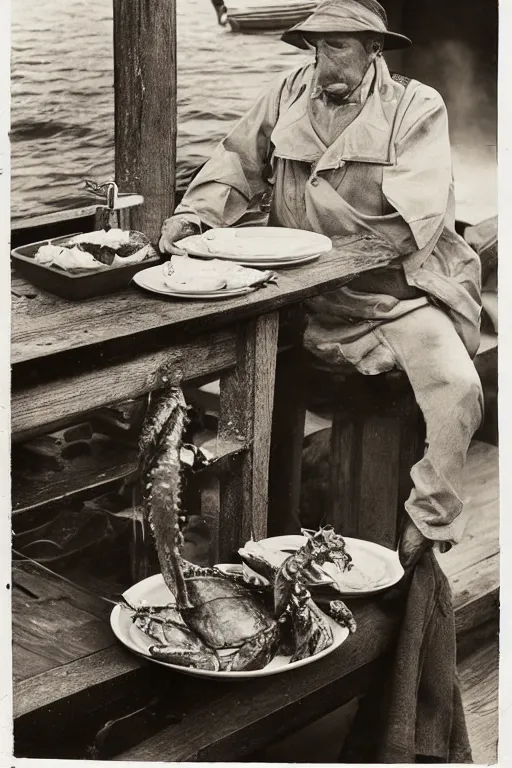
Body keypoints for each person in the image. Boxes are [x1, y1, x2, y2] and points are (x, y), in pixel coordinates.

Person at [159, 0, 483, 570]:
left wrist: (316, 251)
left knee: (458, 389)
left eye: (337, 46)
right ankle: (250, 524)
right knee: (206, 358)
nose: (321, 60)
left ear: (373, 49)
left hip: (394, 295)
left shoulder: (416, 105)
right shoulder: (288, 92)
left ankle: (426, 523)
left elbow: (415, 225)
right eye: (315, 45)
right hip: (301, 294)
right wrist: (196, 218)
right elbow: (236, 160)